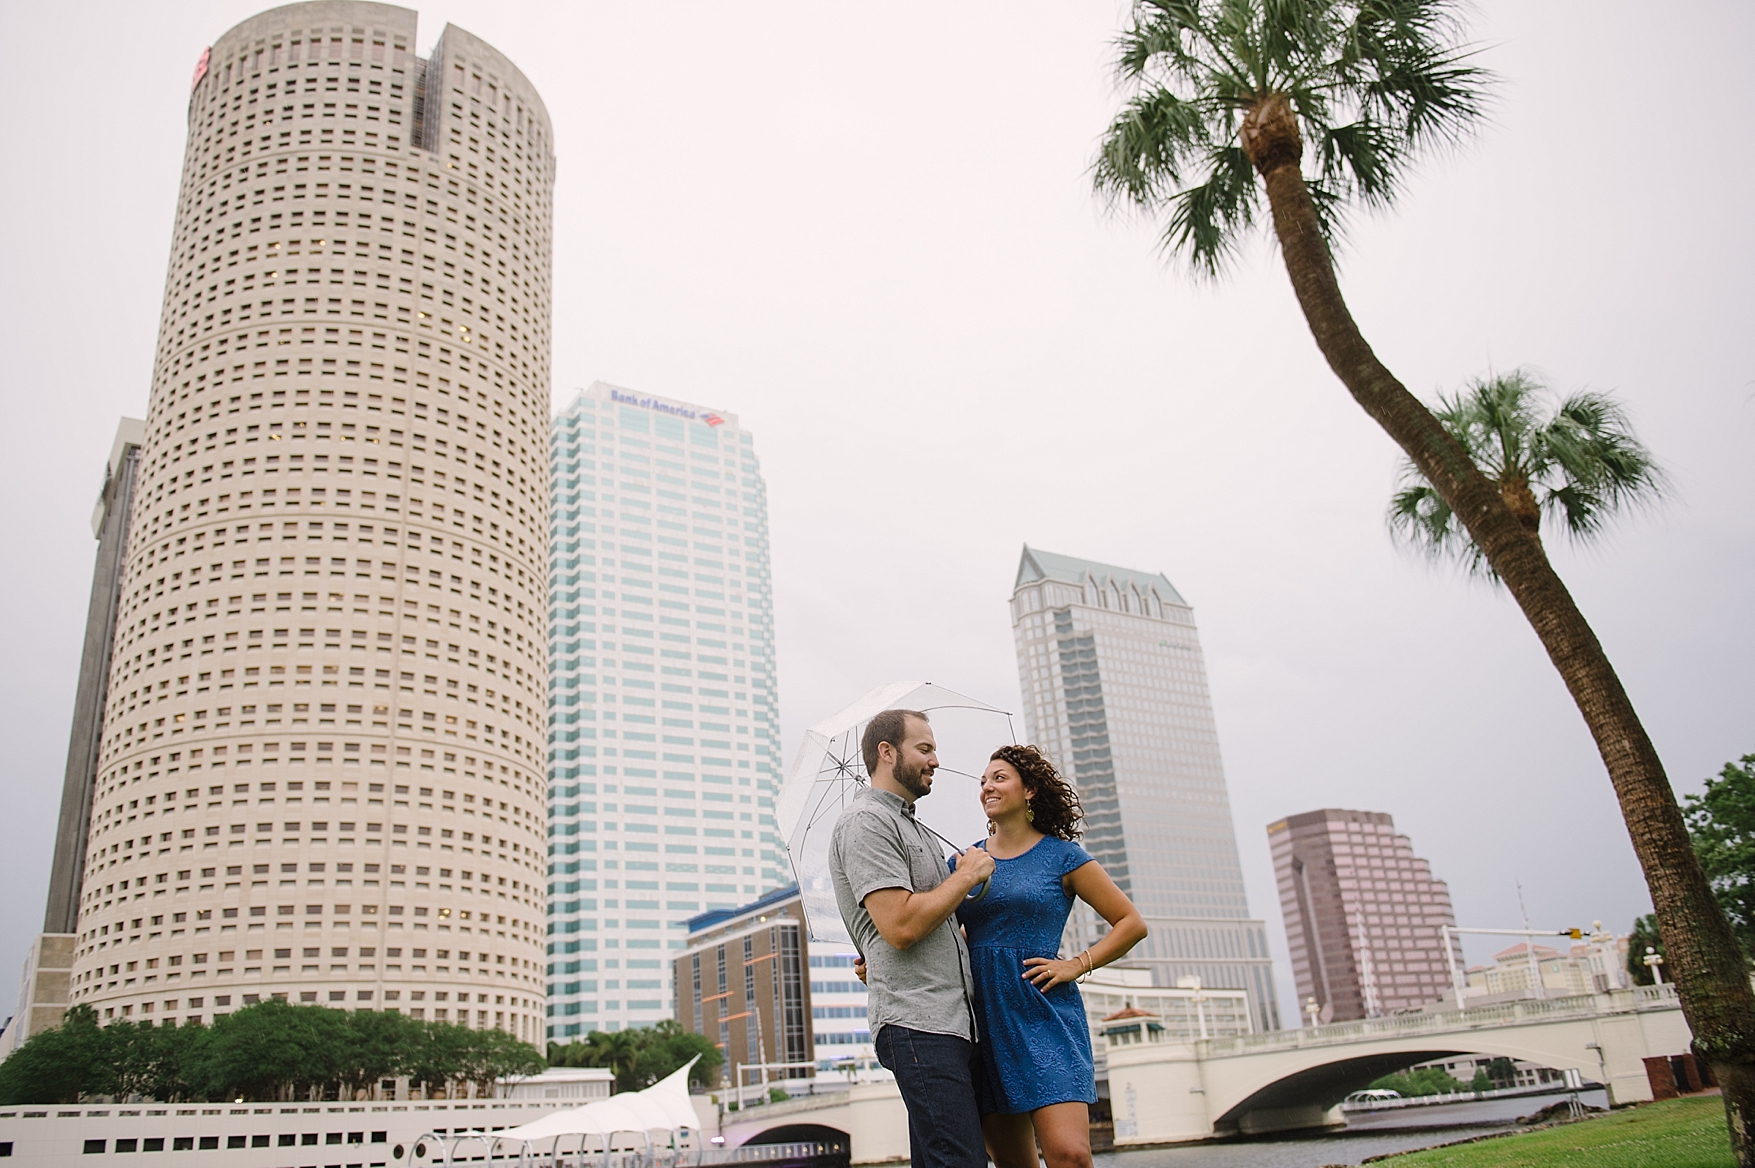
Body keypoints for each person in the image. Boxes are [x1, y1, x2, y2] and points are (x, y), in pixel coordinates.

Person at [954, 744, 1147, 1168]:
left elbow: (1131, 923)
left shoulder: (1063, 856)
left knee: (1070, 1154)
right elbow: (947, 933)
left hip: (1043, 1012)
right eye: (983, 780)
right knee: (1013, 1163)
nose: (987, 786)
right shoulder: (965, 861)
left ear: (1031, 791)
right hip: (981, 1017)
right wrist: (874, 965)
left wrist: (1077, 964)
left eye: (999, 777)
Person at [827, 709, 995, 1168]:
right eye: (925, 748)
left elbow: (934, 923)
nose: (936, 760)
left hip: (954, 1022)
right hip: (920, 1023)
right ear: (887, 752)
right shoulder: (865, 823)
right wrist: (965, 878)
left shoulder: (916, 828)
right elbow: (900, 927)